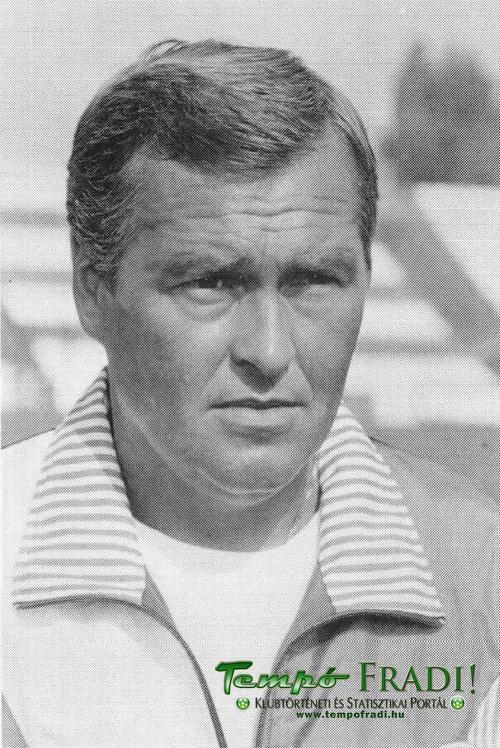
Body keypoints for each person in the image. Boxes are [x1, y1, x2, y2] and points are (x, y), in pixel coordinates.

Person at [2, 39, 498, 748]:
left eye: (314, 281)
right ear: (93, 291)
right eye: (209, 282)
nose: (268, 351)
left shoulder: (482, 573)